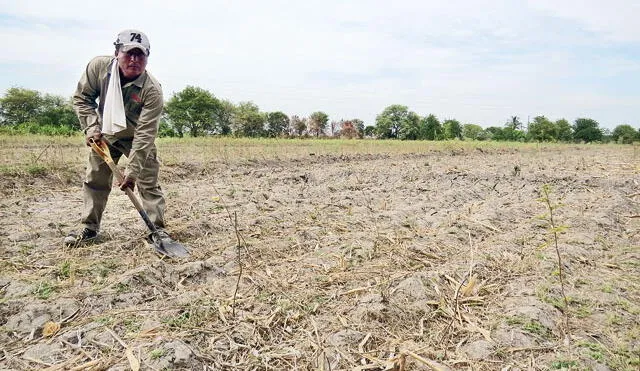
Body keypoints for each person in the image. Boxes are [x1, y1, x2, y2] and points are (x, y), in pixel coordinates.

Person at [65, 29, 171, 247]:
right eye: (128, 53)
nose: (134, 59)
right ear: (116, 52)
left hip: (136, 139)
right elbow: (82, 98)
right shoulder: (98, 68)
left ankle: (157, 231)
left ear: (147, 57)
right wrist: (91, 128)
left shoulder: (152, 91)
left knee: (148, 183)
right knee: (95, 180)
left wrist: (131, 173)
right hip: (104, 134)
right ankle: (90, 229)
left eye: (140, 55)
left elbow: (145, 134)